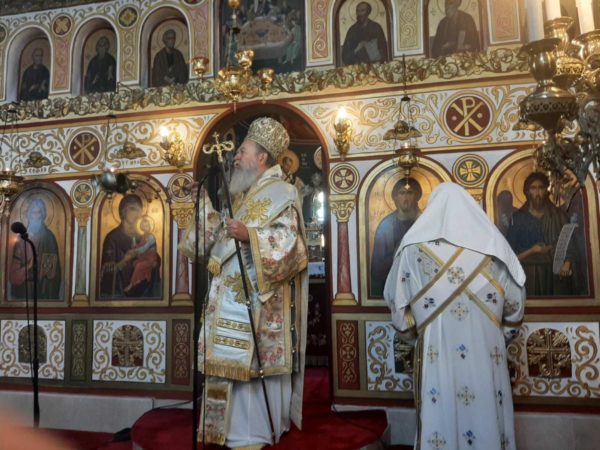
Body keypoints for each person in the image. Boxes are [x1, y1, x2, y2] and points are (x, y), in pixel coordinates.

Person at [179, 117, 309, 449]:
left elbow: (291, 246)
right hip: (228, 297)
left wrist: (250, 234)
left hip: (259, 302)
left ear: (262, 157)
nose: (235, 157)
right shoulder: (242, 194)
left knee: (249, 368)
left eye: (242, 151)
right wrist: (202, 204)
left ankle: (252, 434)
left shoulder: (283, 192)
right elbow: (216, 238)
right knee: (225, 361)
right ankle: (219, 430)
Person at [384, 182, 526, 450]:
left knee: (440, 417)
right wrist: (495, 338)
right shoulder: (495, 247)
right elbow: (515, 309)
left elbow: (398, 311)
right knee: (486, 418)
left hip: (436, 354)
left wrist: (420, 339)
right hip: (487, 353)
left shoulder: (412, 249)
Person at [506, 172, 575, 296]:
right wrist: (533, 251)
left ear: (546, 191)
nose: (537, 192)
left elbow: (569, 242)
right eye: (533, 188)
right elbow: (510, 253)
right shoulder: (517, 218)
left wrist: (567, 263)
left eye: (541, 187)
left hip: (553, 272)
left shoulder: (558, 216)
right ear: (527, 192)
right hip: (527, 272)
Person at [100, 194, 161, 298]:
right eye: (133, 209)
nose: (138, 213)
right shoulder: (112, 238)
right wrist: (124, 261)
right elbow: (106, 271)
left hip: (143, 292)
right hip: (119, 293)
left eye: (140, 209)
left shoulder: (143, 236)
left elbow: (154, 258)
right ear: (123, 211)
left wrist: (155, 262)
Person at [370, 178, 421, 297]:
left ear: (417, 197)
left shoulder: (423, 223)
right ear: (395, 198)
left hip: (418, 284)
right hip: (392, 284)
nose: (405, 198)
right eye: (401, 193)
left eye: (410, 193)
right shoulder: (385, 226)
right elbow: (377, 268)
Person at [9, 198, 61, 300]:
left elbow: (53, 271)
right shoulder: (21, 239)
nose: (36, 216)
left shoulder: (49, 237)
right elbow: (14, 274)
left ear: (43, 215)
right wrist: (28, 267)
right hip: (22, 290)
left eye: (39, 212)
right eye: (33, 212)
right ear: (29, 215)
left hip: (42, 290)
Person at [123, 216, 160, 294]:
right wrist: (133, 239)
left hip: (151, 259)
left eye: (148, 225)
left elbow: (144, 248)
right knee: (134, 263)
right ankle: (138, 280)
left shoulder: (151, 237)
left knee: (139, 265)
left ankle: (131, 284)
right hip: (144, 258)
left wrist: (134, 251)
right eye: (145, 226)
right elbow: (138, 246)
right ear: (142, 228)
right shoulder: (143, 237)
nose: (147, 228)